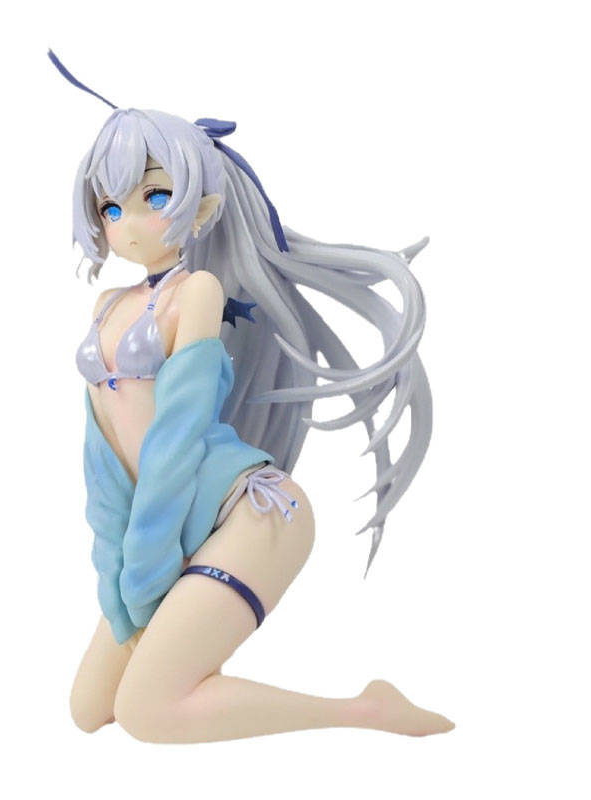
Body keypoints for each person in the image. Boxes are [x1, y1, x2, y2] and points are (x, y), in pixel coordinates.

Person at [51, 51, 454, 743]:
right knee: (91, 709)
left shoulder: (196, 292)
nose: (130, 222)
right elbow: (103, 456)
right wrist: (115, 570)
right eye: (112, 208)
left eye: (154, 198)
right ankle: (173, 637)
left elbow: (178, 432)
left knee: (147, 712)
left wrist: (146, 572)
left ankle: (364, 711)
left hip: (251, 511)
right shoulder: (108, 306)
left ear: (201, 208)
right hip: (170, 516)